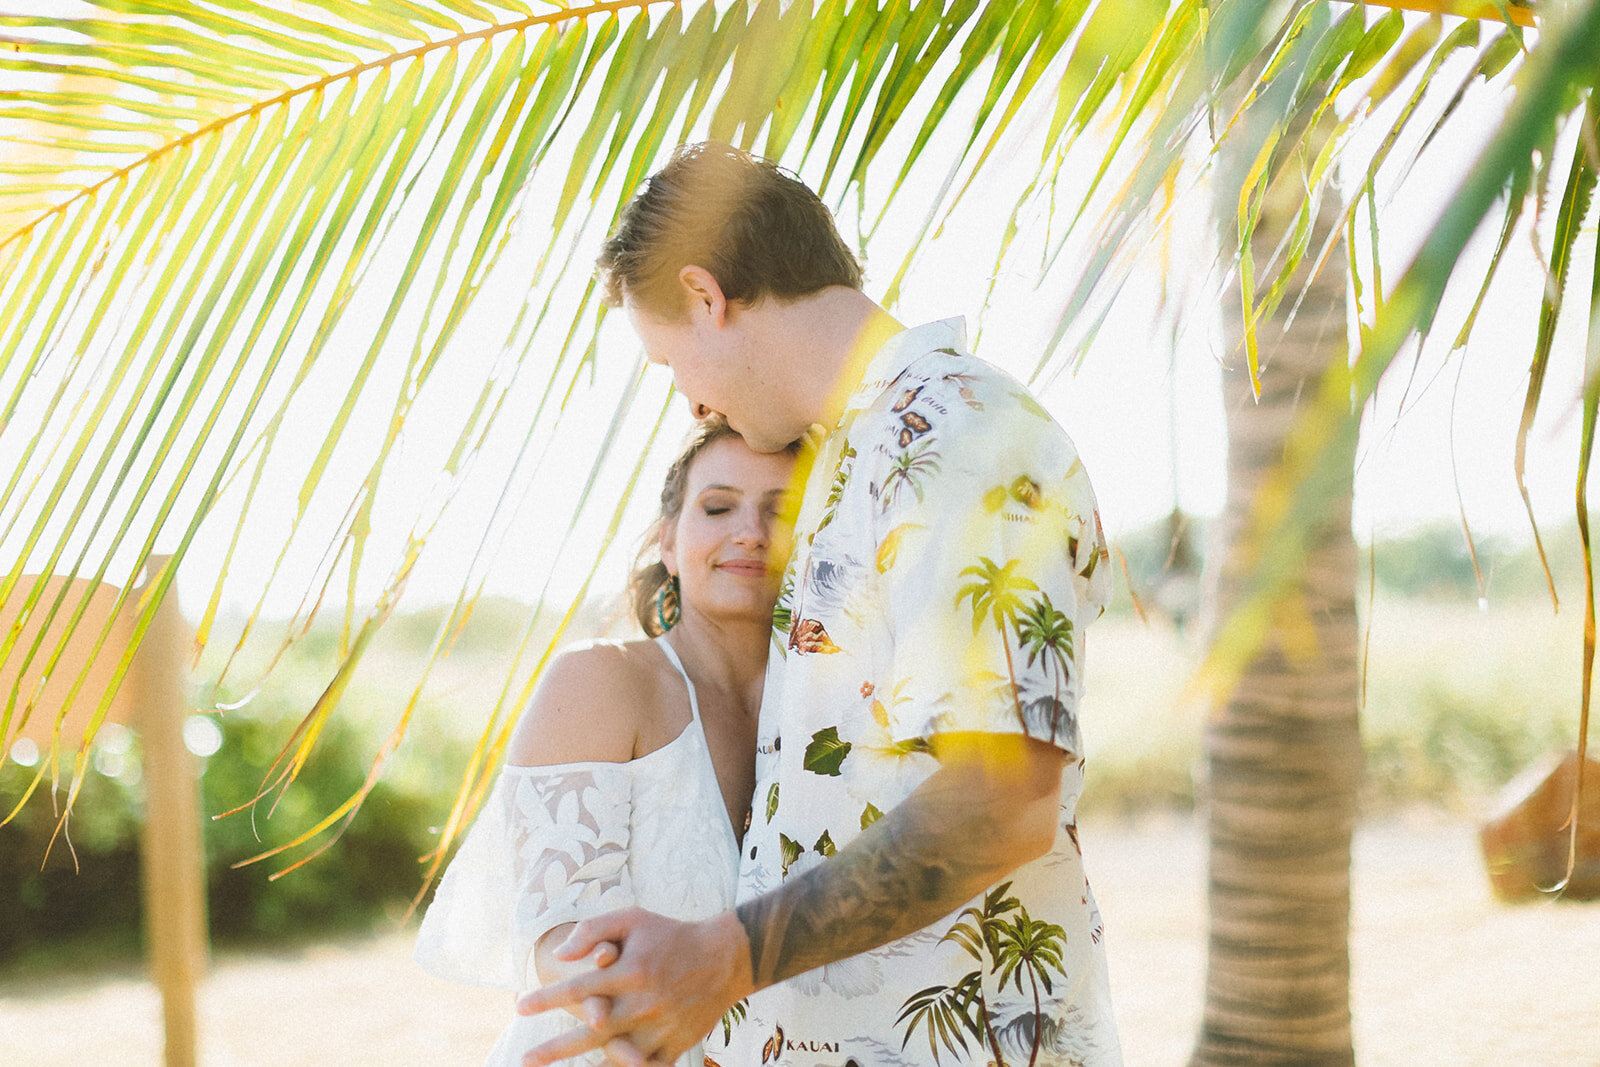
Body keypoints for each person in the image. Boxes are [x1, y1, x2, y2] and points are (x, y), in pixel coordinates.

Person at [518, 142, 1122, 1067]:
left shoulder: (962, 432)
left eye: (669, 360)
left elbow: (1005, 795)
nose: (689, 403)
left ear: (706, 296)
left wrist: (730, 955)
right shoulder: (846, 459)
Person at [414, 417, 797, 1066]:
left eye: (781, 512)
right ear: (667, 542)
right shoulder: (602, 681)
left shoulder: (832, 707)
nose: (750, 532)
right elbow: (553, 930)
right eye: (718, 506)